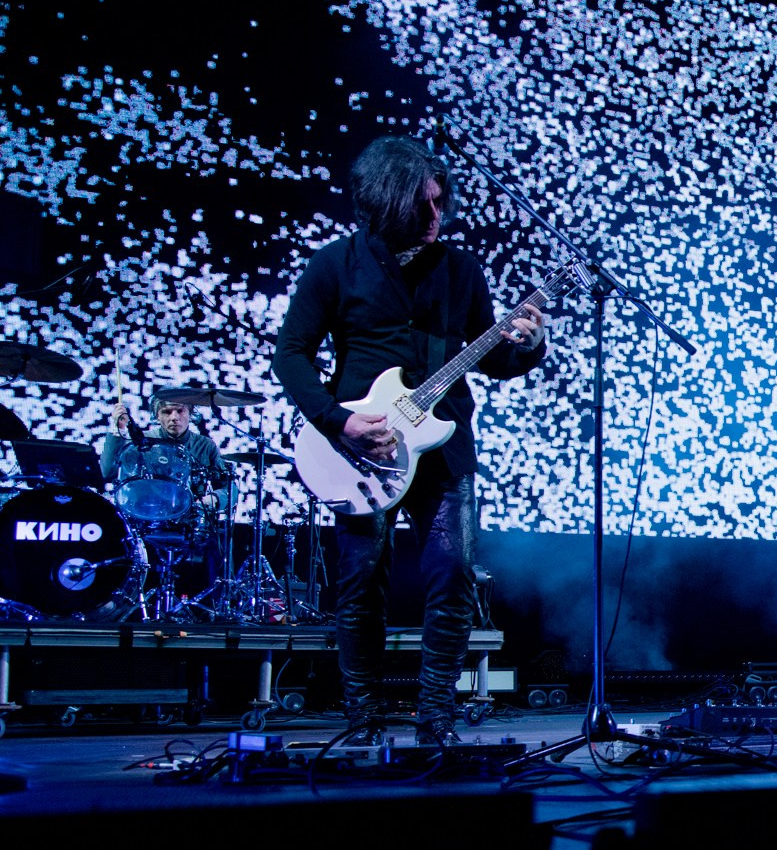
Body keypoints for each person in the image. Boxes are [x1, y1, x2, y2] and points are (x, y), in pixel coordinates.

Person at [272, 135, 547, 746]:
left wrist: (527, 343)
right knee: (361, 580)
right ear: (382, 205)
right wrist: (337, 420)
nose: (434, 218)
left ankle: (436, 717)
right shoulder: (334, 266)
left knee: (451, 572)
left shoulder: (459, 269)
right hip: (357, 449)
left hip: (444, 445)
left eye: (440, 204)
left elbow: (491, 358)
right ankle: (363, 715)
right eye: (421, 207)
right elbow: (290, 355)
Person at [99, 392, 232, 585]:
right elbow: (107, 471)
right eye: (167, 412)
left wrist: (214, 499)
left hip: (189, 524)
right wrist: (117, 430)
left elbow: (229, 487)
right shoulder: (141, 442)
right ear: (157, 415)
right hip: (145, 524)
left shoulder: (205, 446)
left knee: (220, 544)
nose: (174, 417)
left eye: (180, 411)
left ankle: (216, 605)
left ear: (190, 413)